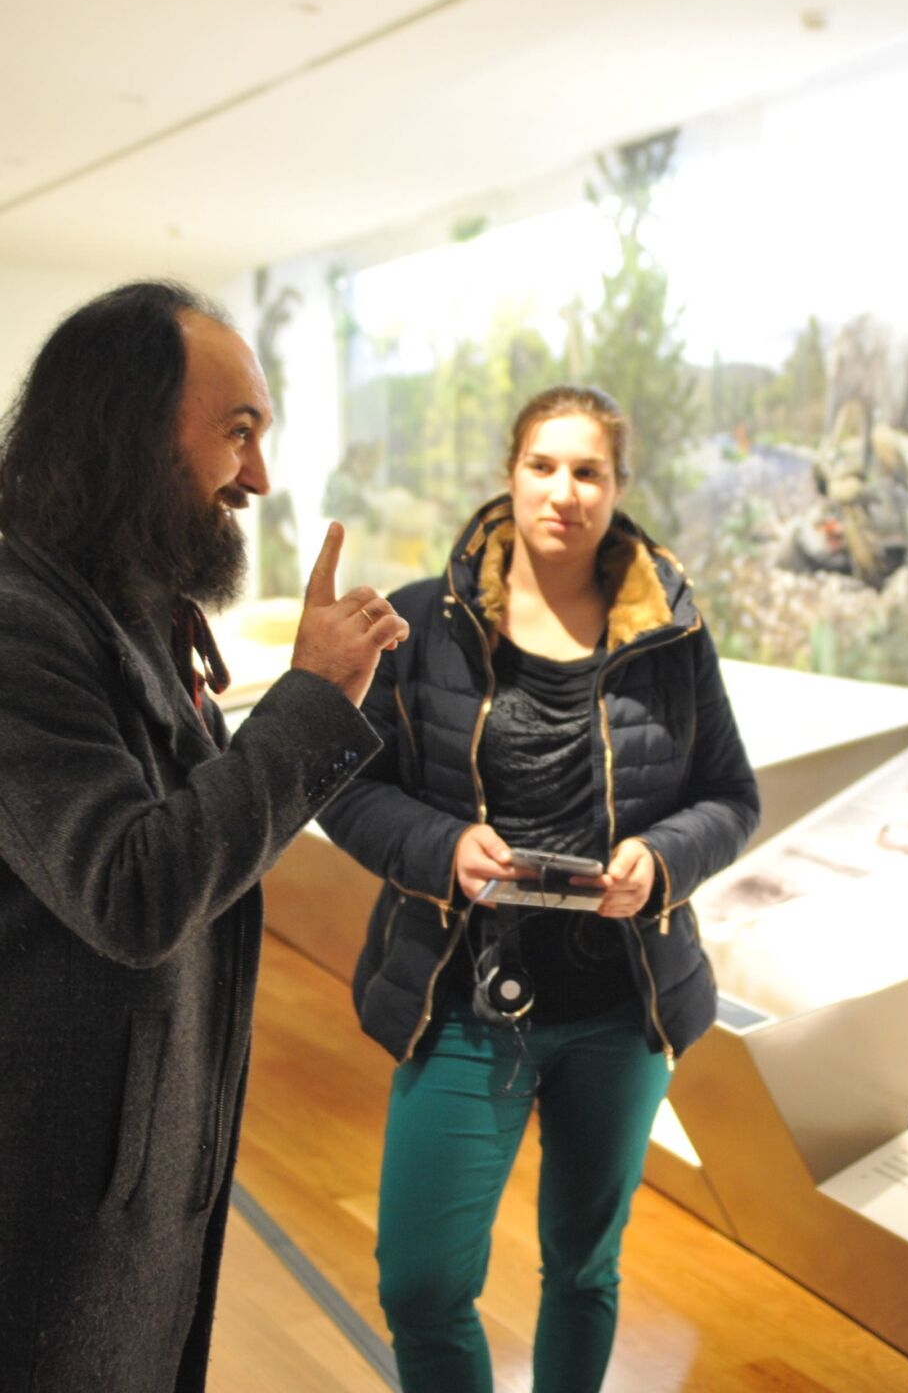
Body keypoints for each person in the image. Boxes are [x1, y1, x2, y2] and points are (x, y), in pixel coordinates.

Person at [0, 281, 408, 1393]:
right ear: (130, 430)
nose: (259, 478)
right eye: (238, 432)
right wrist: (313, 697)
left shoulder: (118, 610)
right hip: (45, 1215)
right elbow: (134, 890)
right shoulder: (20, 625)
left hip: (123, 1186)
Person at [318, 384, 759, 1393]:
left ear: (618, 486)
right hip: (461, 997)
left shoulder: (672, 632)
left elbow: (732, 797)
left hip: (620, 1005)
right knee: (422, 1285)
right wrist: (440, 846)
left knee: (584, 1268)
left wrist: (661, 861)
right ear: (510, 476)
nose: (565, 491)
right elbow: (348, 787)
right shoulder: (423, 621)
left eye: (588, 471)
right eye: (544, 466)